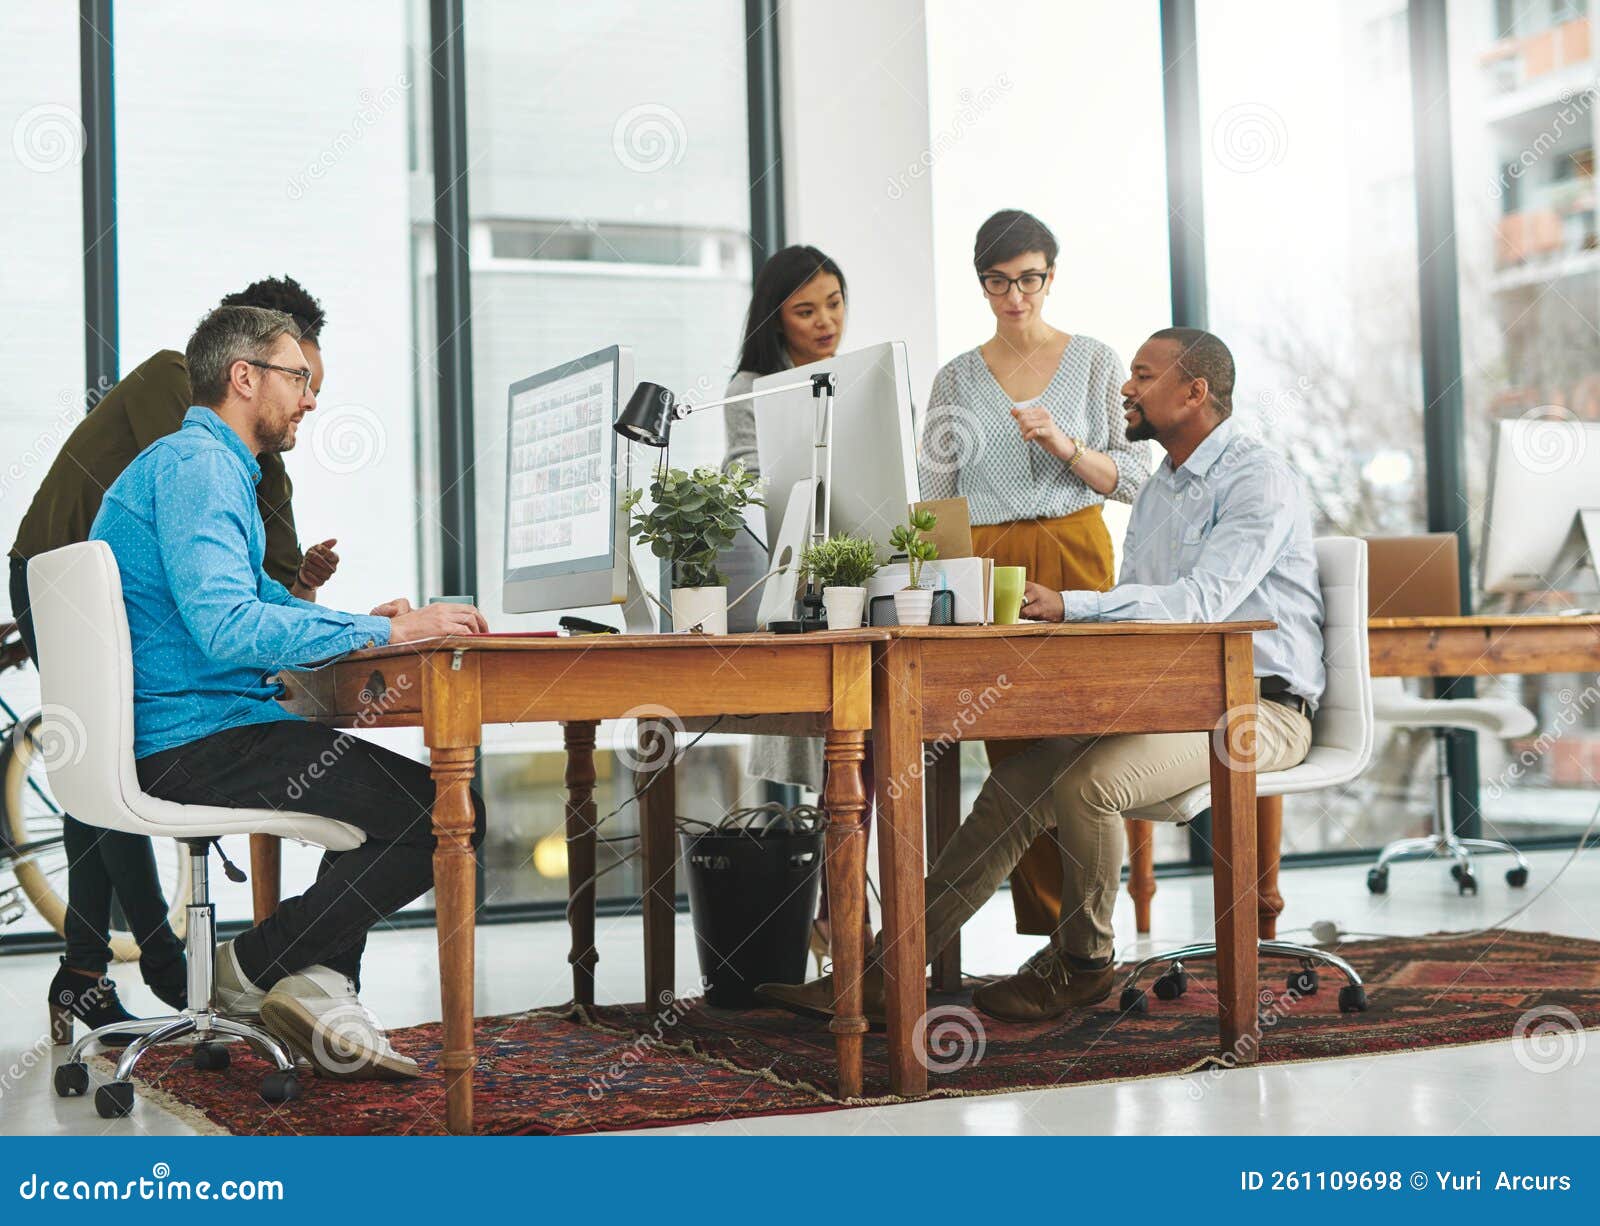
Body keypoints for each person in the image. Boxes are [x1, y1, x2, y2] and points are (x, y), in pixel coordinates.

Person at [760, 327, 1324, 1023]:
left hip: (1257, 710)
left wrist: (1072, 605)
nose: (1126, 388)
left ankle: (1085, 963)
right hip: (1172, 701)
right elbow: (1139, 619)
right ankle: (884, 973)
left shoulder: (1256, 478)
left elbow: (1201, 605)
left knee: (1088, 785)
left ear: (1195, 392)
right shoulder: (1161, 492)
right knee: (1015, 781)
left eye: (1143, 376)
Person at [90, 304, 488, 1078]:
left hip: (189, 734)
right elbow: (228, 626)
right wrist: (392, 637)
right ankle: (255, 971)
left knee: (390, 804)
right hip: (197, 742)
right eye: (298, 377)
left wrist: (356, 623)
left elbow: (247, 608)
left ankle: (320, 989)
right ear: (244, 378)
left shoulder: (195, 466)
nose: (310, 397)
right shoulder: (201, 467)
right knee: (444, 814)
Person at [9, 276, 340, 1044]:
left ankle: (83, 976)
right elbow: (203, 503)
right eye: (301, 376)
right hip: (68, 584)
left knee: (101, 762)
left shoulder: (249, 448)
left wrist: (292, 587)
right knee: (108, 758)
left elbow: (247, 546)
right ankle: (165, 962)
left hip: (114, 593)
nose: (307, 397)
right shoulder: (179, 395)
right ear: (254, 360)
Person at [919, 209, 1151, 937]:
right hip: (989, 563)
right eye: (998, 282)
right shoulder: (955, 377)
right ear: (981, 284)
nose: (1015, 297)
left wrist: (1065, 443)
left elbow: (1135, 478)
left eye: (1028, 280)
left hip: (1077, 551)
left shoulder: (1096, 360)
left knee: (1084, 734)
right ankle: (1050, 934)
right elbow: (934, 496)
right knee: (1014, 743)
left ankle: (1088, 933)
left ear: (1051, 275)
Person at [720, 245, 859, 966]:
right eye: (806, 310)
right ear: (776, 318)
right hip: (790, 580)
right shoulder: (754, 385)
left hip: (855, 570)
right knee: (825, 763)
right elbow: (744, 480)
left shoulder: (854, 376)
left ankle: (849, 923)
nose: (826, 320)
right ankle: (832, 921)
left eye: (834, 302)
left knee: (862, 760)